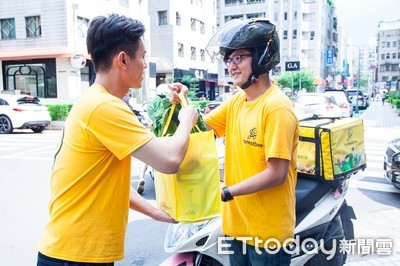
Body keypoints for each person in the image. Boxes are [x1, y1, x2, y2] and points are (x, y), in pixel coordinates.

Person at [37, 14, 198, 265]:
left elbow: (110, 184)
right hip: (76, 255)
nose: (146, 64)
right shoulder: (104, 107)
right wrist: (188, 118)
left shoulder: (97, 101)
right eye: (143, 56)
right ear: (123, 59)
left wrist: (156, 213)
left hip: (73, 251)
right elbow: (169, 160)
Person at [170, 18, 299, 265]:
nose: (231, 66)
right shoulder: (236, 102)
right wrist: (181, 102)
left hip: (266, 235)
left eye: (239, 58)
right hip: (235, 225)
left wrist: (227, 192)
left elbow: (277, 174)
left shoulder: (276, 108)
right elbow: (199, 129)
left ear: (262, 57)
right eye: (229, 60)